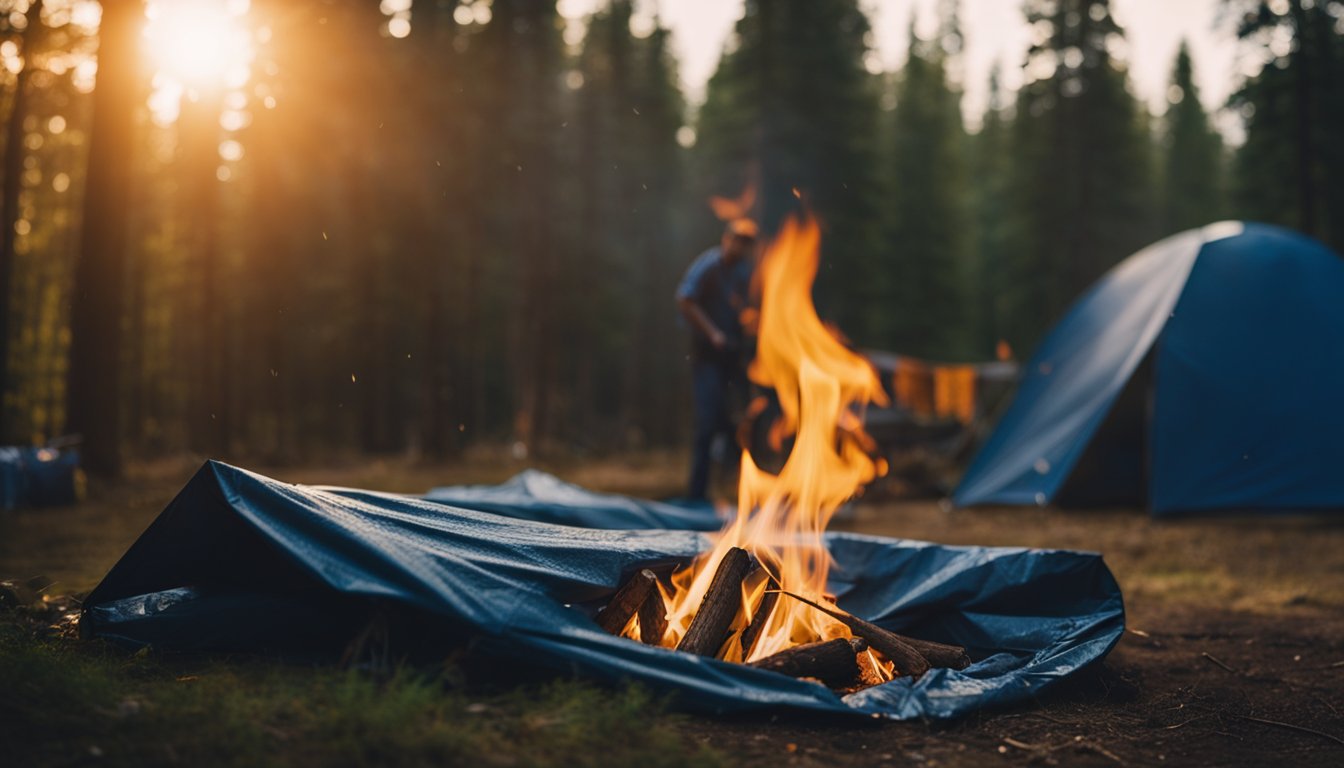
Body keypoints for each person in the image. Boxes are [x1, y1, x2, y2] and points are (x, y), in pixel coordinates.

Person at [675, 218, 758, 500]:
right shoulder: (709, 265)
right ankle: (695, 495)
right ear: (727, 238)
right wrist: (713, 333)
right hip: (707, 355)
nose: (741, 246)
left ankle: (737, 489)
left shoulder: (744, 272)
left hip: (734, 358)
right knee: (708, 421)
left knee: (740, 421)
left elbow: (747, 308)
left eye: (747, 243)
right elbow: (685, 300)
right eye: (738, 240)